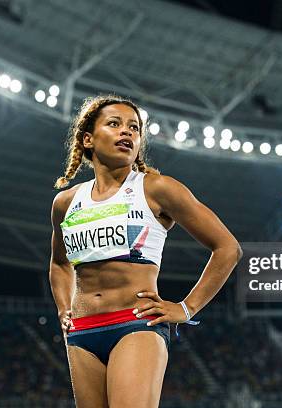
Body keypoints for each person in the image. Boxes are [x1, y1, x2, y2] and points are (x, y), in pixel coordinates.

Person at [49, 95, 242, 408]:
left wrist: (187, 308)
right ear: (88, 139)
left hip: (136, 325)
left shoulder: (156, 189)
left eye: (134, 128)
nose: (127, 132)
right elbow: (59, 264)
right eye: (115, 124)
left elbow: (227, 248)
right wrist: (62, 307)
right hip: (82, 332)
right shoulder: (66, 203)